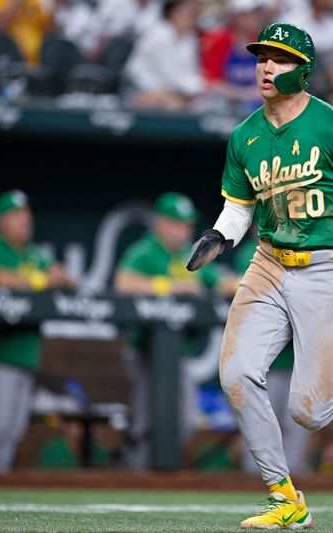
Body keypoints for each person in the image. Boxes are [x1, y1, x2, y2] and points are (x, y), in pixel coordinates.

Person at [184, 22, 333, 528]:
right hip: (268, 262)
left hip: (329, 268)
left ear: (303, 71)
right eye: (263, 57)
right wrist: (220, 235)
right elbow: (239, 207)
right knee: (236, 375)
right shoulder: (245, 135)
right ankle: (285, 498)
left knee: (310, 412)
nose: (266, 66)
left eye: (279, 59)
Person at [114, 192, 224, 470]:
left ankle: (159, 477)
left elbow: (218, 281)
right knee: (147, 421)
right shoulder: (147, 249)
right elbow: (123, 282)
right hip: (146, 351)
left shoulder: (188, 253)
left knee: (185, 420)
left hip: (178, 353)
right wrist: (170, 286)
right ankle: (137, 478)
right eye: (178, 223)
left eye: (188, 224)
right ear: (161, 223)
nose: (185, 230)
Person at [0, 190, 74, 472]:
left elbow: (67, 281)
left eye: (26, 213)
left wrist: (62, 278)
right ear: (1, 221)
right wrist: (42, 279)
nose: (25, 220)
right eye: (16, 215)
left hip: (27, 353)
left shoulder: (33, 255)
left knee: (14, 429)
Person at [235, 230, 312, 476]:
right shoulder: (254, 252)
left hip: (300, 359)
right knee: (262, 421)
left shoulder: (311, 248)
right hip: (266, 360)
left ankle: (291, 484)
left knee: (299, 421)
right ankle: (258, 481)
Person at [123, 0, 205, 110]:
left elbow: (191, 70)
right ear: (172, 14)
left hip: (171, 90)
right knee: (175, 106)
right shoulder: (159, 35)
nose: (189, 19)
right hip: (138, 88)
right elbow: (171, 75)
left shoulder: (190, 38)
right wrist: (201, 86)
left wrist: (202, 88)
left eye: (193, 15)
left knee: (200, 104)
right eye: (185, 13)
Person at [0, 0, 54, 65]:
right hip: (7, 61)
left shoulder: (34, 1)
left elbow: (49, 28)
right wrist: (15, 5)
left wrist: (55, 8)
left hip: (37, 61)